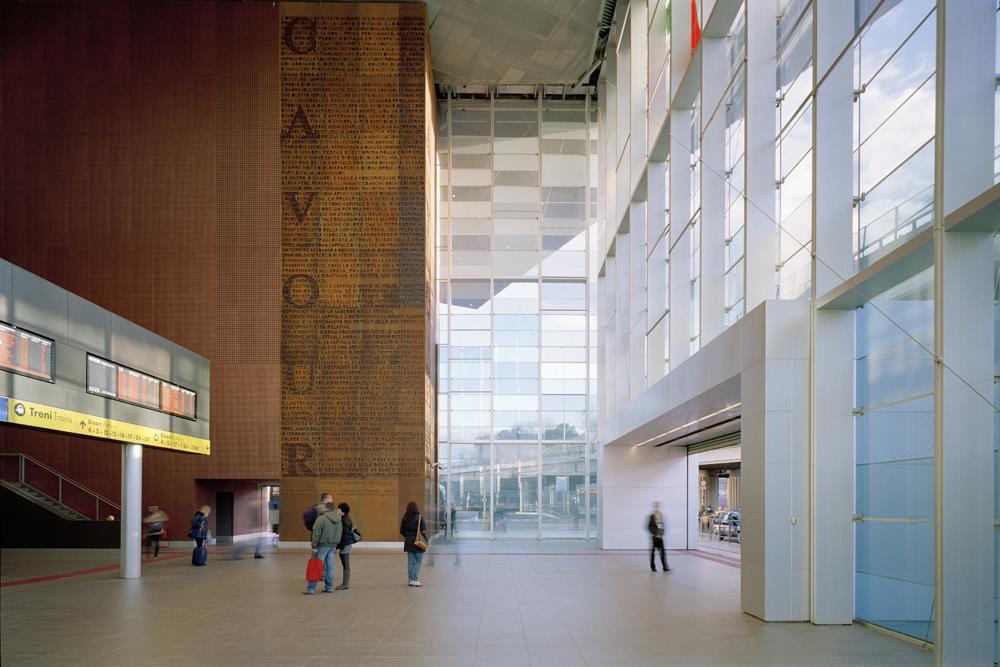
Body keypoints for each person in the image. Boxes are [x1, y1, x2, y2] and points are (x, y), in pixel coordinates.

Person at [305, 502, 342, 595]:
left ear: (325, 508)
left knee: (316, 565)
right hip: (333, 545)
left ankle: (311, 588)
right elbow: (340, 533)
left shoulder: (321, 518)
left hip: (322, 545)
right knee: (330, 566)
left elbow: (316, 533)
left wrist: (314, 546)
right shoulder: (338, 519)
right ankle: (329, 587)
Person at [399, 500, 427, 587]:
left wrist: (408, 536)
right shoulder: (420, 517)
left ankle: (411, 579)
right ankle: (414, 579)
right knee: (418, 561)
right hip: (418, 542)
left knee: (411, 561)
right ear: (416, 508)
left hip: (408, 541)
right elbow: (424, 530)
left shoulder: (405, 518)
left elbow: (401, 531)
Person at [335, 502, 353, 590]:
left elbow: (344, 536)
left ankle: (345, 584)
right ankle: (345, 583)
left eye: (338, 508)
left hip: (345, 545)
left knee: (345, 564)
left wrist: (339, 548)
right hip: (346, 544)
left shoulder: (344, 521)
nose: (336, 510)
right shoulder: (345, 518)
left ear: (342, 511)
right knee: (345, 564)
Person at [647, 501, 670, 572]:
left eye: (658, 506)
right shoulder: (652, 516)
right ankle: (653, 567)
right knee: (653, 553)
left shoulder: (661, 515)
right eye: (656, 506)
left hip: (660, 537)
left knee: (663, 553)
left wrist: (662, 532)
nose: (657, 507)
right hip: (654, 537)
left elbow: (662, 525)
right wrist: (654, 533)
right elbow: (649, 526)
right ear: (654, 507)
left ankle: (665, 567)